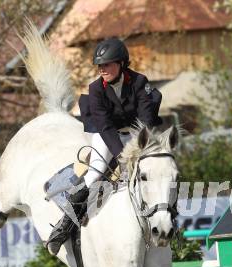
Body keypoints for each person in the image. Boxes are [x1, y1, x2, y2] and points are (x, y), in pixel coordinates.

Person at [47, 38, 162, 255]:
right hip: (108, 135)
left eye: (107, 65)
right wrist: (122, 157)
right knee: (94, 174)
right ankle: (64, 228)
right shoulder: (96, 89)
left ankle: (167, 225)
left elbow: (146, 121)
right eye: (100, 66)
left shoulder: (139, 82)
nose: (102, 70)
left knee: (156, 171)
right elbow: (105, 127)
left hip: (137, 134)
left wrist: (137, 152)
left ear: (121, 64)